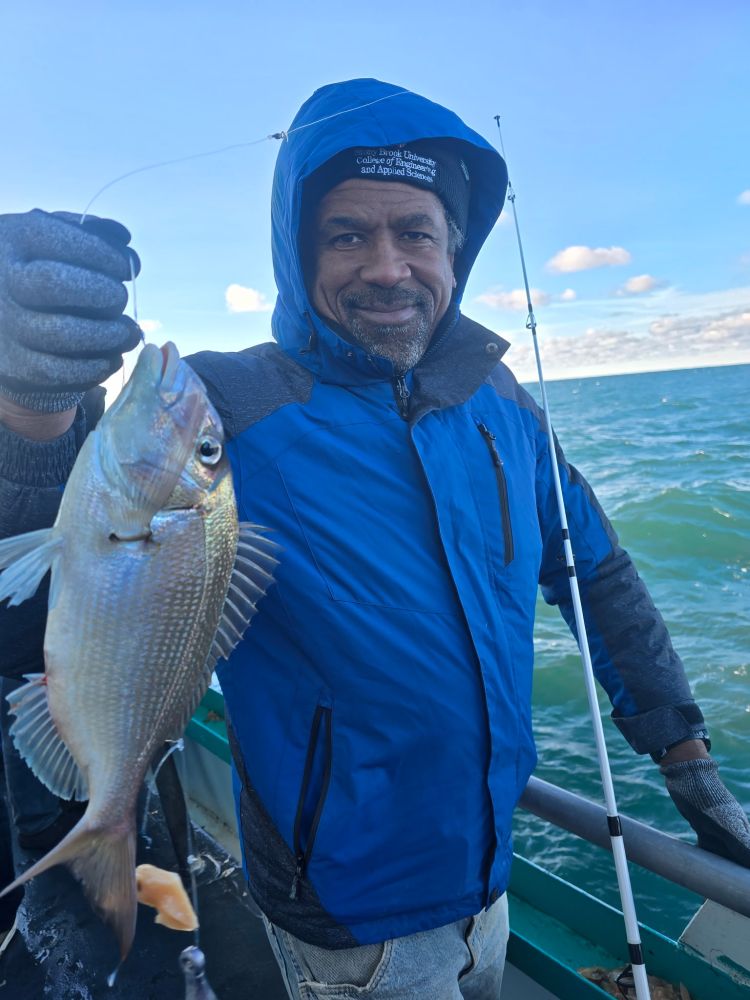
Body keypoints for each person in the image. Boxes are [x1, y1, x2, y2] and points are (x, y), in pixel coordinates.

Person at [0, 78, 748, 1000]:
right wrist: (29, 414)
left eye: (416, 233)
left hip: (489, 872)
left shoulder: (505, 405)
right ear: (296, 250)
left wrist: (684, 754)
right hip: (342, 911)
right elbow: (68, 563)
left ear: (455, 252)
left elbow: (598, 574)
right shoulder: (226, 403)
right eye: (347, 234)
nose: (388, 266)